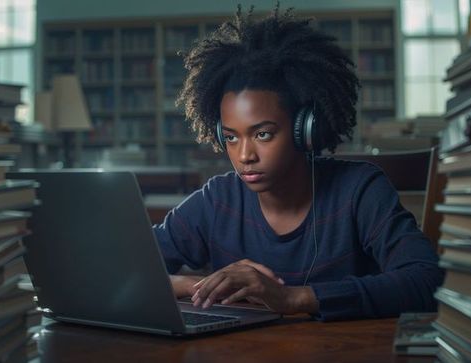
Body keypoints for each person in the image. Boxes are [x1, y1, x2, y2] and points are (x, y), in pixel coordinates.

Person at [152, 5, 443, 321]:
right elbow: (124, 267)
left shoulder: (360, 190)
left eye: (263, 134)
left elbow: (427, 281)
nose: (245, 155)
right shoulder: (217, 201)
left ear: (306, 129)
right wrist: (196, 284)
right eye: (232, 138)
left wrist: (293, 298)